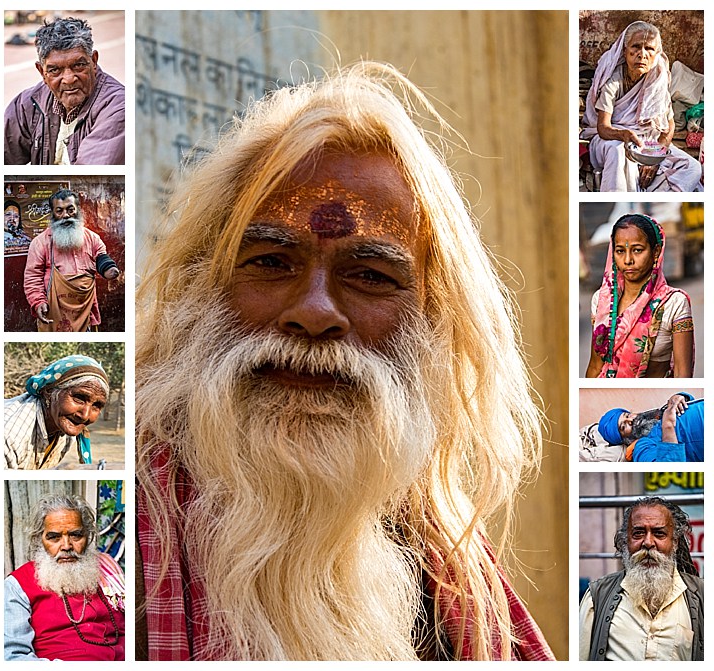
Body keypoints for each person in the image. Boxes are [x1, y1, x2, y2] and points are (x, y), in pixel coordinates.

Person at [135, 62, 554, 661]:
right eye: (271, 262)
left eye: (369, 275)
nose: (313, 313)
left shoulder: (444, 564)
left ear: (431, 318)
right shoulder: (121, 518)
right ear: (206, 284)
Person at [580, 21, 702, 192]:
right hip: (610, 140)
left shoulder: (657, 80)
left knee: (691, 167)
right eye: (636, 47)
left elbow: (669, 126)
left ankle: (651, 193)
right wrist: (623, 134)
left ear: (656, 54)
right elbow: (603, 128)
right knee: (619, 153)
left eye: (649, 49)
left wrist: (656, 157)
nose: (642, 54)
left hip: (646, 142)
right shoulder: (613, 80)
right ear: (625, 51)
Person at [579, 496, 703, 660]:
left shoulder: (702, 596)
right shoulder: (597, 597)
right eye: (638, 533)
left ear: (675, 542)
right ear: (625, 541)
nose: (648, 543)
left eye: (659, 533)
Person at [4, 493, 125, 660]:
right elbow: (13, 657)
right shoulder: (17, 586)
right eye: (54, 537)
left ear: (88, 537)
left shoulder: (106, 571)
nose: (67, 546)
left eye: (76, 535)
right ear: (40, 540)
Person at [4, 16, 125, 165]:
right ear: (42, 72)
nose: (69, 79)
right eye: (55, 70)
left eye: (79, 65)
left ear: (93, 61)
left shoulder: (119, 107)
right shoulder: (27, 104)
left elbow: (90, 177)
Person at [586, 213, 694, 378]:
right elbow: (595, 365)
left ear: (656, 251)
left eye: (637, 250)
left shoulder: (674, 303)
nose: (628, 260)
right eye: (620, 251)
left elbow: (682, 374)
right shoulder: (602, 300)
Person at [23, 188, 121, 332]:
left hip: (84, 310)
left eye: (70, 210)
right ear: (53, 214)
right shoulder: (40, 243)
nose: (66, 215)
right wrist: (38, 302)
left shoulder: (92, 238)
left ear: (78, 210)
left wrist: (109, 269)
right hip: (54, 310)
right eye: (59, 211)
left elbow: (101, 257)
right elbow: (32, 276)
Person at [4, 354, 109, 469]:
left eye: (96, 405)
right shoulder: (9, 436)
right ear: (49, 392)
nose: (85, 415)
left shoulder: (65, 428)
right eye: (79, 398)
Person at [597, 392, 703, 462]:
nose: (631, 420)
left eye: (627, 415)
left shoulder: (654, 418)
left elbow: (688, 406)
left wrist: (679, 398)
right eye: (623, 427)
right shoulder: (642, 447)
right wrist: (667, 425)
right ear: (624, 439)